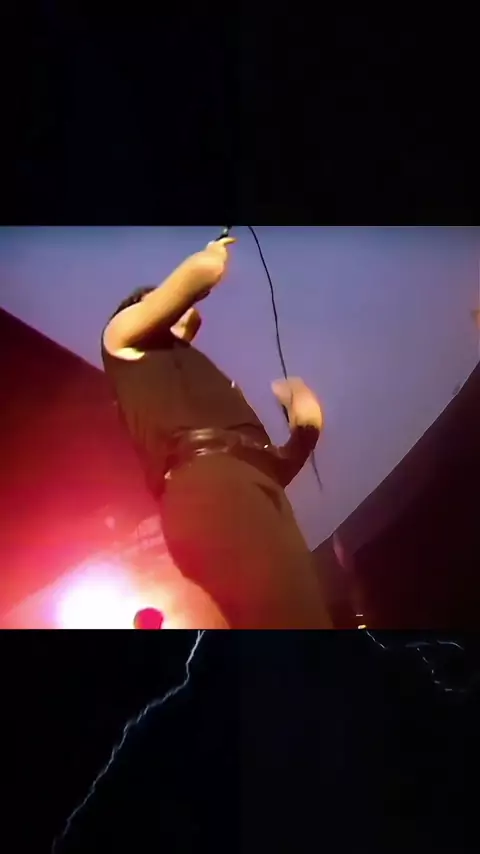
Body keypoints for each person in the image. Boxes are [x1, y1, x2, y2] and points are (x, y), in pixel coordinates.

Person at [101, 237, 332, 629]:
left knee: (307, 617)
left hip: (253, 489)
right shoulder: (120, 339)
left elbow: (268, 467)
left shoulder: (196, 373)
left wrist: (305, 429)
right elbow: (198, 278)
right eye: (156, 300)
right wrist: (210, 255)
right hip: (208, 485)